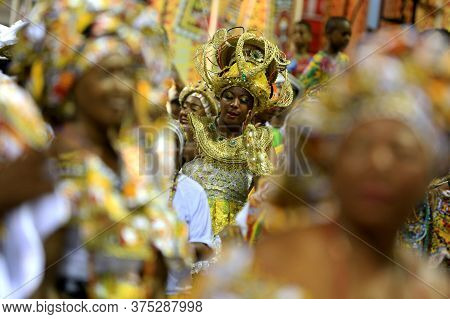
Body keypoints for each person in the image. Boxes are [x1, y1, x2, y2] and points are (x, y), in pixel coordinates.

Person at [195, 36, 448, 298]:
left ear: (432, 171)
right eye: (360, 146)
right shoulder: (263, 266)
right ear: (330, 159)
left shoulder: (431, 292)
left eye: (402, 152)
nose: (379, 164)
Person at [11, 0, 190, 298]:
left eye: (129, 74)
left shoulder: (134, 162)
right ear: (68, 80)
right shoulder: (47, 164)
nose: (123, 88)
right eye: (107, 74)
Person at [182, 28, 293, 238]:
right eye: (229, 97)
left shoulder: (260, 141)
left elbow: (266, 189)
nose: (235, 105)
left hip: (226, 236)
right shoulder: (195, 129)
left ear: (251, 109)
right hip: (185, 222)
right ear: (219, 98)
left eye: (244, 101)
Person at [166, 123, 213, 296]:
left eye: (170, 147)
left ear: (180, 152)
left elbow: (204, 246)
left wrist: (174, 248)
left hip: (177, 291)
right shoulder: (134, 187)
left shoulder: (193, 191)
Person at [299, 16, 351, 93]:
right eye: (343, 34)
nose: (347, 38)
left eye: (349, 34)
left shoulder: (345, 60)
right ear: (329, 34)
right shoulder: (319, 60)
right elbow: (303, 86)